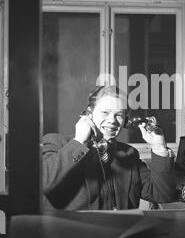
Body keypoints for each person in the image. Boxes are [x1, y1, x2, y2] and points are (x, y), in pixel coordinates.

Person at [42, 85, 176, 211]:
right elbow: (43, 183)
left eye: (119, 114)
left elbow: (163, 195)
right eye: (105, 112)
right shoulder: (56, 143)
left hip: (121, 232)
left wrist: (159, 147)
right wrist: (79, 142)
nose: (112, 120)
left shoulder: (129, 154)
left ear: (125, 121)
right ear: (89, 114)